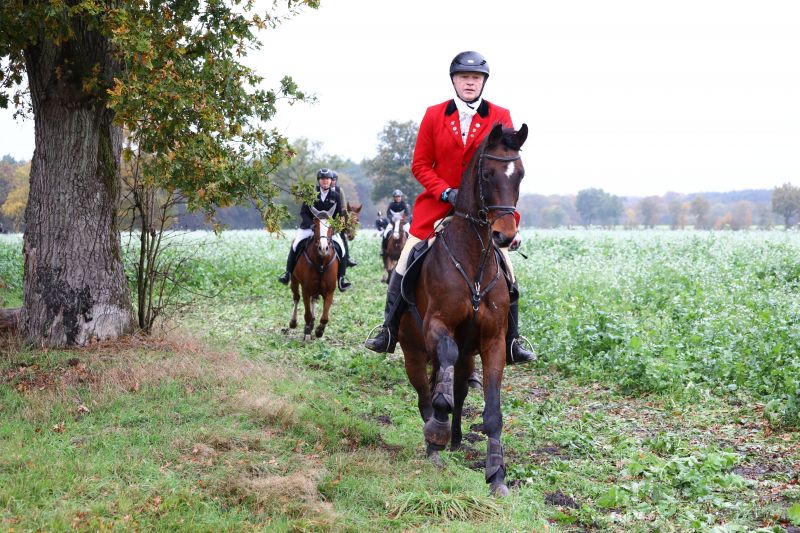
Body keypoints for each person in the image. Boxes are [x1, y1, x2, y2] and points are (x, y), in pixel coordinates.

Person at [364, 51, 535, 365]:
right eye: (464, 77)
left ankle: (512, 340)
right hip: (438, 208)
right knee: (404, 262)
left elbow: (505, 173)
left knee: (508, 274)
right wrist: (445, 191)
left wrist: (511, 219)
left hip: (484, 214)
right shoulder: (434, 115)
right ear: (454, 81)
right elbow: (420, 164)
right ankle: (388, 329)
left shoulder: (500, 115)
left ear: (483, 82)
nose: (470, 82)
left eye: (476, 78)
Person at [278, 168, 351, 291]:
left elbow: (339, 214)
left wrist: (335, 227)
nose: (325, 181)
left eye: (327, 179)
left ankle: (341, 279)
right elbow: (303, 212)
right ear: (319, 181)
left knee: (342, 249)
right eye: (322, 179)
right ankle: (288, 274)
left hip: (328, 229)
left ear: (331, 181)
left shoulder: (336, 196)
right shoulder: (311, 194)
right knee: (295, 245)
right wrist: (311, 225)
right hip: (310, 227)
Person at [331, 171, 358, 268]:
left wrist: (342, 223)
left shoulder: (339, 191)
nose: (332, 181)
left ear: (336, 180)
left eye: (334, 180)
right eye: (330, 179)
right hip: (324, 220)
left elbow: (343, 208)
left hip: (337, 219)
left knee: (342, 238)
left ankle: (347, 258)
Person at [380, 189, 412, 257]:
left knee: (410, 234)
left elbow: (408, 214)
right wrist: (391, 219)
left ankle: (411, 250)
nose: (398, 198)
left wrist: (405, 220)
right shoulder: (391, 204)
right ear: (394, 198)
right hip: (393, 222)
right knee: (385, 234)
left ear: (401, 197)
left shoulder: (404, 204)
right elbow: (388, 214)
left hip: (403, 223)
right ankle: (383, 249)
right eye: (396, 197)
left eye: (399, 196)